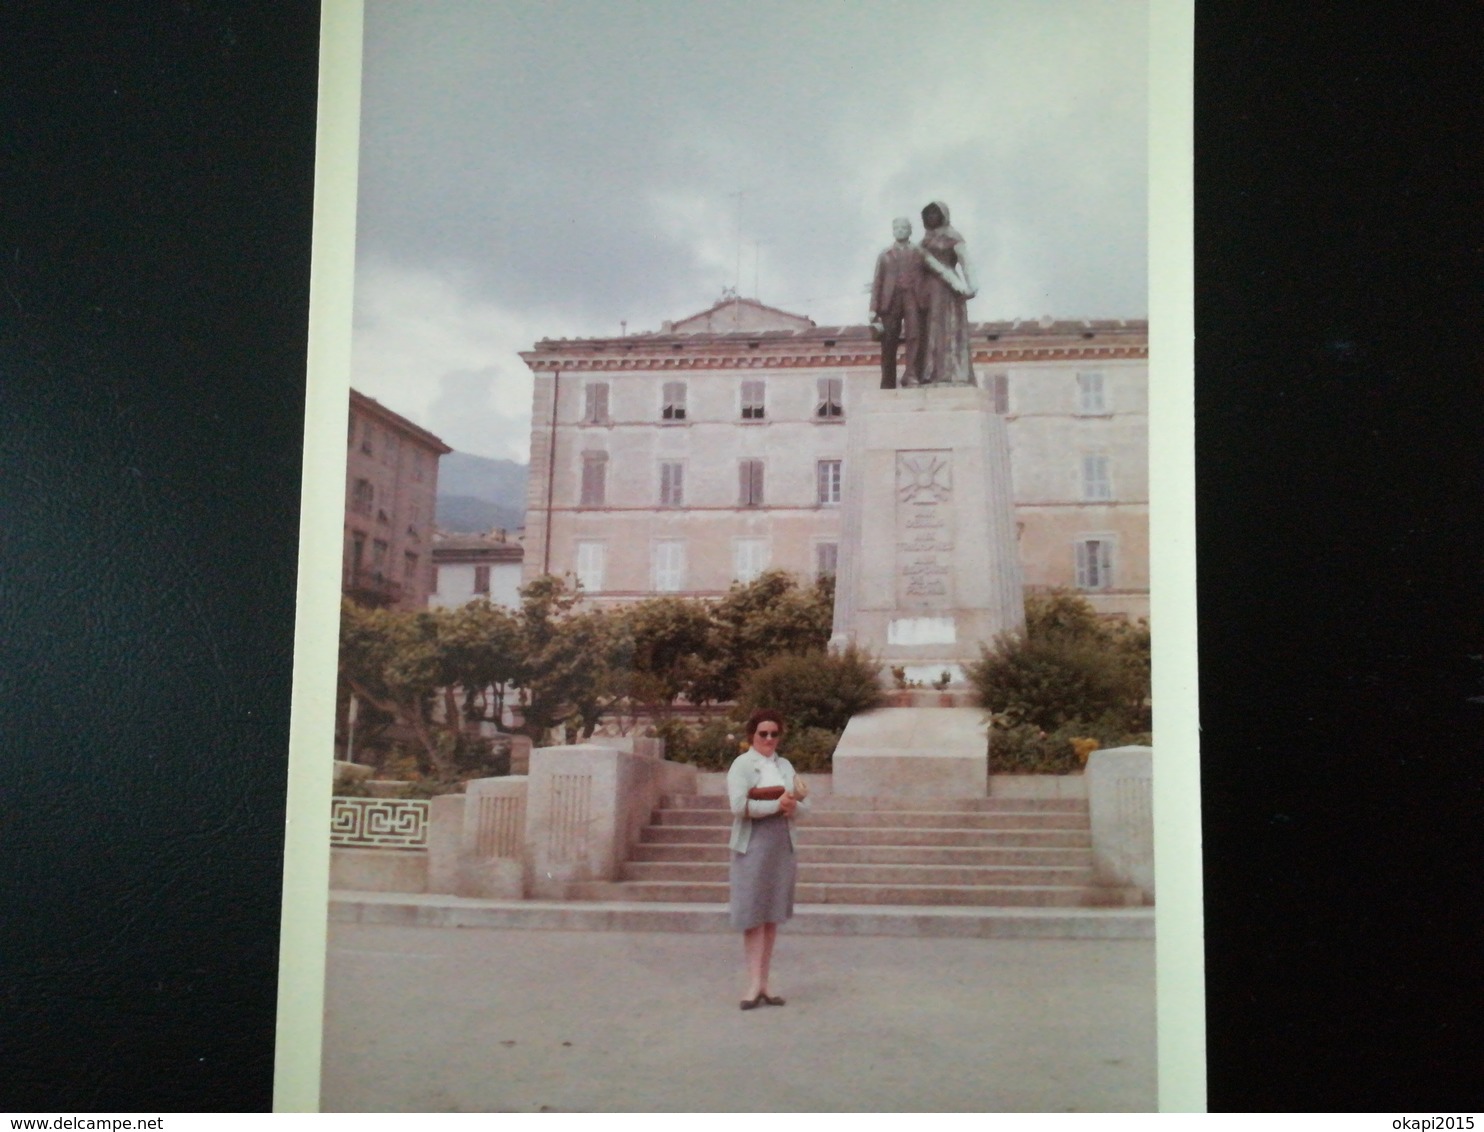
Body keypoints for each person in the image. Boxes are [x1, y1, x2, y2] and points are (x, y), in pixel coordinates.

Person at [726, 708, 810, 1010]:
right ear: (752, 735)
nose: (769, 739)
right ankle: (751, 984)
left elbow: (805, 803)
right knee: (753, 915)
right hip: (753, 845)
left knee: (772, 915)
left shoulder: (785, 765)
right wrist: (776, 805)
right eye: (764, 734)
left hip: (780, 845)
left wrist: (792, 808)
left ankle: (765, 982)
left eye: (774, 734)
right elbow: (738, 806)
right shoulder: (742, 765)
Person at [915, 200, 978, 386]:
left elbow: (966, 262)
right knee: (929, 330)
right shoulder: (923, 242)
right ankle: (930, 372)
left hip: (949, 290)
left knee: (948, 329)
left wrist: (972, 286)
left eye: (935, 213)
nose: (931, 217)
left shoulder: (953, 237)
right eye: (928, 214)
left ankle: (952, 373)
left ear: (943, 216)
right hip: (927, 290)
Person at [869, 216, 928, 388]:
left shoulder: (918, 252)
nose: (900, 230)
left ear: (910, 231)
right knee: (888, 341)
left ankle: (911, 375)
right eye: (897, 228)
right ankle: (887, 381)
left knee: (914, 336)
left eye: (904, 227)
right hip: (890, 301)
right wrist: (873, 309)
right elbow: (877, 282)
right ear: (893, 231)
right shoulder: (884, 255)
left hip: (913, 297)